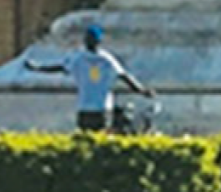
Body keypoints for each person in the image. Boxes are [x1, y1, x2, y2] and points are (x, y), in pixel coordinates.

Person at [27, 26, 156, 134]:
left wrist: (38, 68)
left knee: (86, 139)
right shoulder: (105, 59)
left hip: (87, 108)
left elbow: (59, 67)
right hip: (101, 108)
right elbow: (124, 76)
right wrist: (142, 90)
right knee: (101, 139)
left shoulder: (80, 58)